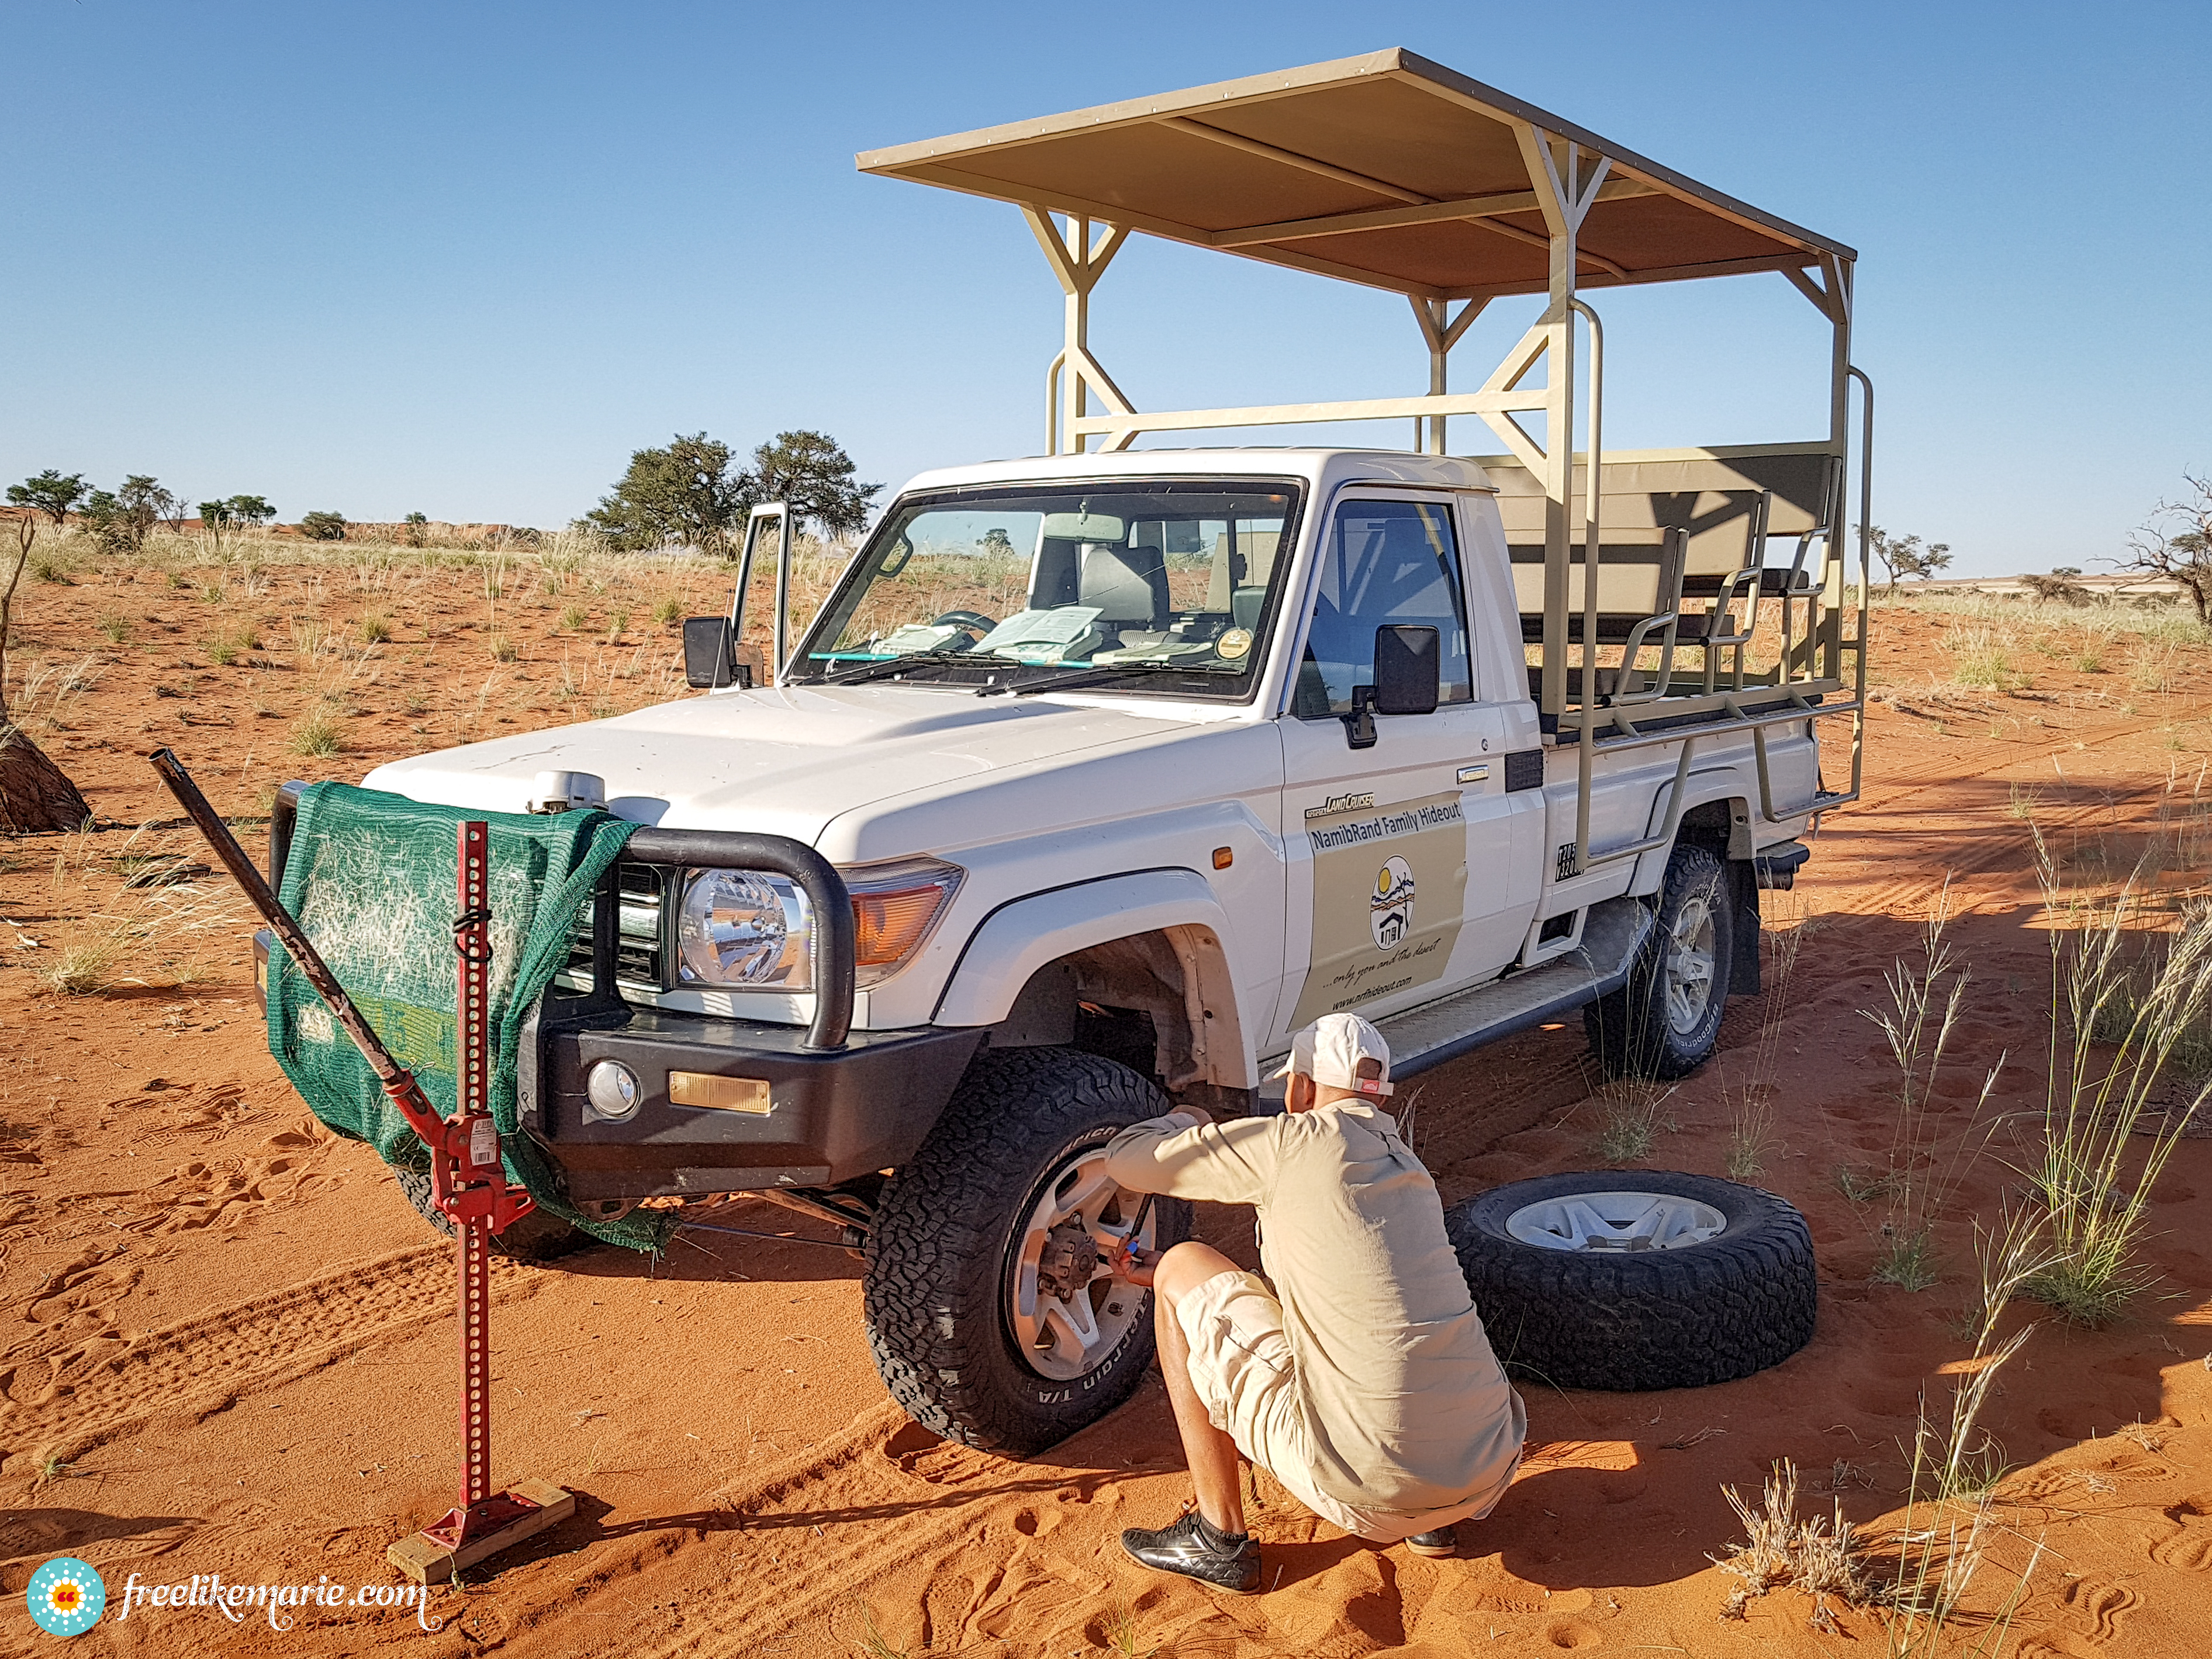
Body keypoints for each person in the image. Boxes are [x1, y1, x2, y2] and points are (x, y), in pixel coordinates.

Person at [1101, 1012, 1526, 1594]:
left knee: (1180, 1263)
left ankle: (1217, 1538)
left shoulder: (1290, 1142)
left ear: (1299, 1088)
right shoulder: (1409, 1169)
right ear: (1379, 1094)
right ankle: (1431, 1526)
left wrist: (1184, 1119)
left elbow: (1128, 1161)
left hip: (1369, 1487)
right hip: (1487, 1468)